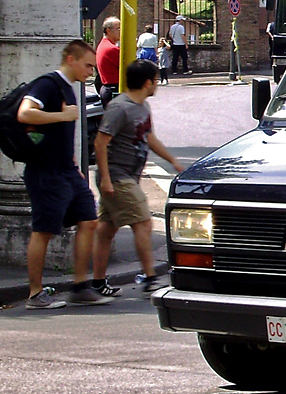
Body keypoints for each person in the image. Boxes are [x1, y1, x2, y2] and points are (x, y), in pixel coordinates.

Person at [17, 39, 111, 309]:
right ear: (71, 59)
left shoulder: (70, 90)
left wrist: (73, 166)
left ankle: (80, 286)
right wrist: (61, 115)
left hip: (67, 170)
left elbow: (62, 135)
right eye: (87, 66)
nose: (90, 73)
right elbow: (25, 114)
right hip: (45, 171)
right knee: (44, 230)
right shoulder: (47, 84)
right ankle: (35, 293)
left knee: (88, 219)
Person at [92, 59, 185, 297]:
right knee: (143, 222)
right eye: (155, 80)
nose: (157, 84)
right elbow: (101, 143)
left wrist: (173, 161)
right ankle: (150, 278)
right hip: (117, 176)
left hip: (126, 176)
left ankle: (96, 282)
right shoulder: (119, 108)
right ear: (146, 83)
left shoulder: (142, 106)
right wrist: (105, 179)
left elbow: (149, 138)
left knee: (106, 229)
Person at [96, 16, 121, 107]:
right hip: (114, 90)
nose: (121, 31)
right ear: (108, 30)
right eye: (118, 29)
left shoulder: (104, 44)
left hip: (109, 89)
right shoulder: (111, 48)